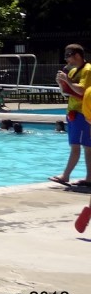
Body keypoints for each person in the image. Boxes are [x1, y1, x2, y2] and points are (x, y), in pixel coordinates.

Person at [50, 44, 91, 187]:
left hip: (82, 113)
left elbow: (81, 91)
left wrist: (67, 80)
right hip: (74, 113)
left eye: (68, 55)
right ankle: (89, 178)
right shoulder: (73, 71)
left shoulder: (88, 70)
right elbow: (67, 92)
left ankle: (65, 175)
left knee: (78, 146)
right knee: (86, 147)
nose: (66, 59)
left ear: (77, 55)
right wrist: (61, 83)